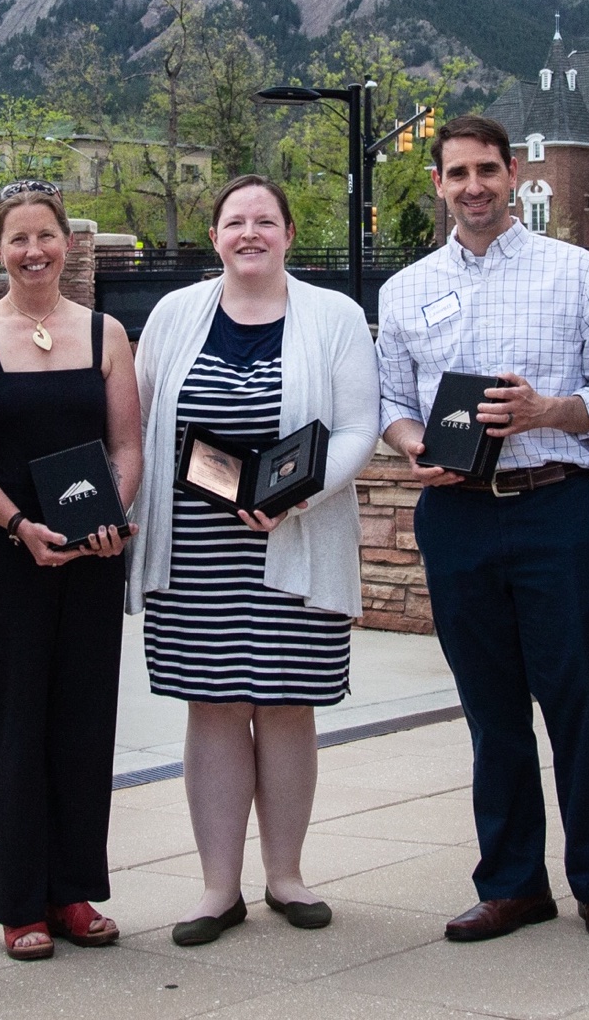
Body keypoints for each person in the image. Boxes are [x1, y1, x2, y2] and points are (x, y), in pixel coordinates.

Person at [374, 114, 589, 944]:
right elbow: (391, 403)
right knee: (490, 711)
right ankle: (512, 883)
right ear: (438, 184)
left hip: (555, 505)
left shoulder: (575, 273)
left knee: (577, 702)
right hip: (455, 520)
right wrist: (415, 446)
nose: (474, 186)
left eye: (487, 169)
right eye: (457, 173)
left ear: (513, 173)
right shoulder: (405, 288)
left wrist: (548, 410)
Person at [131, 175, 379, 946]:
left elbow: (356, 426)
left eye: (264, 220)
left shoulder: (333, 316)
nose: (249, 233)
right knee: (211, 707)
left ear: (288, 233)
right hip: (196, 553)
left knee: (283, 705)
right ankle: (215, 888)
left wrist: (298, 494)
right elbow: (142, 422)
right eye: (234, 221)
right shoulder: (173, 314)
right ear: (213, 237)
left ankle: (285, 875)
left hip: (293, 542)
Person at [0, 181, 142, 961]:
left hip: (92, 557)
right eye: (18, 239)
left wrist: (107, 518)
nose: (34, 252)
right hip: (7, 556)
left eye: (46, 237)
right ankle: (19, 901)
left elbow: (126, 446)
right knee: (15, 728)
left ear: (68, 244)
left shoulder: (105, 334)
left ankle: (72, 891)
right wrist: (21, 525)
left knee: (85, 727)